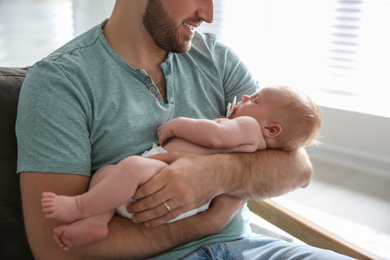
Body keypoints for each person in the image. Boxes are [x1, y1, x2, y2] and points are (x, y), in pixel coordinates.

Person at [16, 1, 353, 259]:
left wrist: (214, 174)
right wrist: (206, 222)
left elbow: (298, 168)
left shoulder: (218, 58)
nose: (207, 13)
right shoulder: (59, 82)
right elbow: (55, 248)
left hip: (249, 248)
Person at [40, 85, 322, 251]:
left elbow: (213, 134)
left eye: (256, 100)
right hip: (172, 203)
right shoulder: (255, 137)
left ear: (271, 129)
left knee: (125, 167)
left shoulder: (247, 127)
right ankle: (97, 222)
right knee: (110, 173)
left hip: (162, 184)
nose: (246, 97)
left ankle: (80, 207)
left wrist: (178, 124)